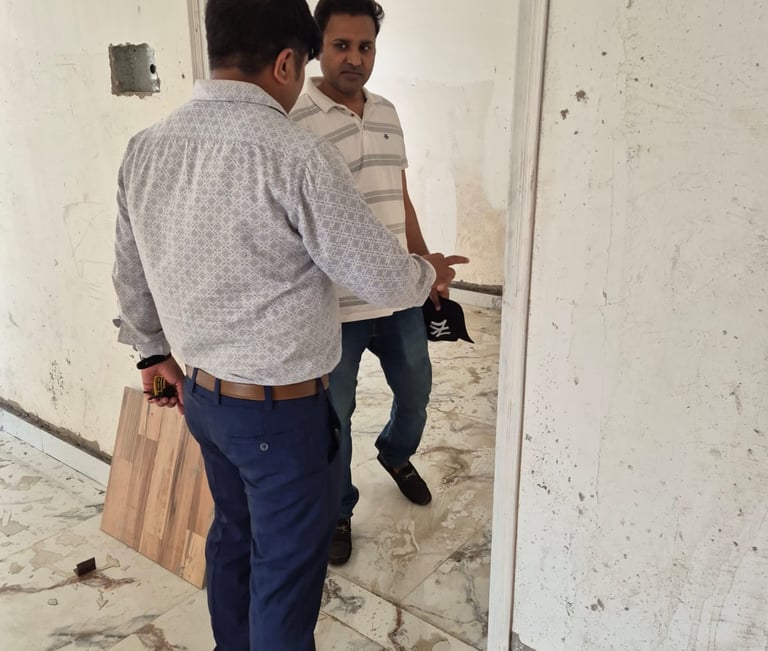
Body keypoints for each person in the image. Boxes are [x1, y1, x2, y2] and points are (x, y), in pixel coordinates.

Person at [111, 1, 467, 649]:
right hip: (279, 417)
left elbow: (130, 276)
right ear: (285, 63)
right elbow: (382, 278)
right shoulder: (295, 154)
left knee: (233, 539)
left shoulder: (146, 148)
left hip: (204, 401)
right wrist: (428, 272)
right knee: (284, 572)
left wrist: (151, 356)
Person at [291, 0, 453, 567]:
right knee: (335, 417)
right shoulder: (295, 118)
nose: (355, 58)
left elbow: (398, 196)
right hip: (333, 306)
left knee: (416, 392)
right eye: (342, 45)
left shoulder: (386, 111)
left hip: (399, 294)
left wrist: (424, 263)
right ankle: (339, 509)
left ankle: (395, 453)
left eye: (365, 46)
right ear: (317, 47)